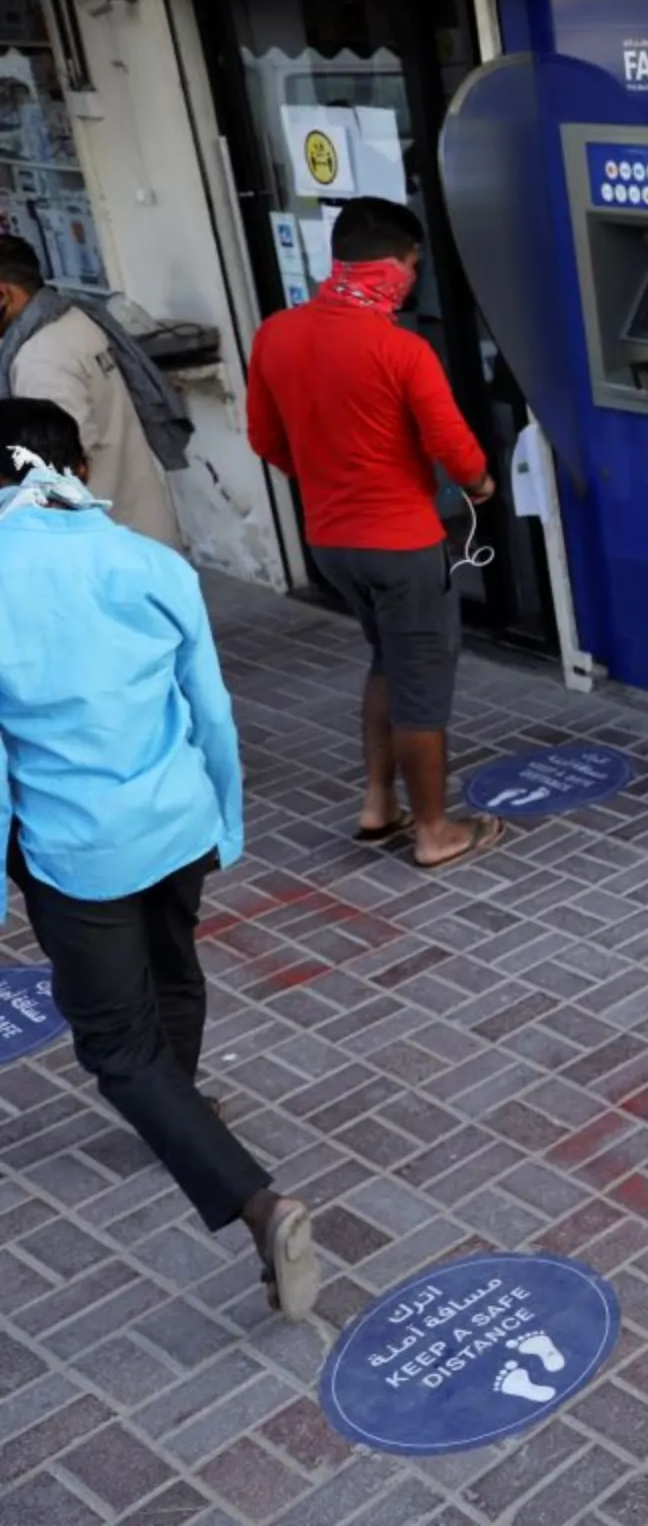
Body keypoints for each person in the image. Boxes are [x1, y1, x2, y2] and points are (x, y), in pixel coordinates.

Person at [0, 397, 320, 1322]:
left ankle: (258, 1205)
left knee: (114, 1042)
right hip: (178, 819)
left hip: (75, 849)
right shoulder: (148, 561)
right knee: (176, 969)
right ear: (78, 472)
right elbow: (211, 708)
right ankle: (180, 1115)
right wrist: (226, 818)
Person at [246, 197, 503, 870]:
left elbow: (265, 438)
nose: (416, 277)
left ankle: (377, 805)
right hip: (404, 543)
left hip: (332, 541)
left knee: (388, 661)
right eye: (415, 264)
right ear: (397, 263)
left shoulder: (276, 333)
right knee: (421, 682)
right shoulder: (400, 349)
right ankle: (435, 832)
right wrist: (478, 483)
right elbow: (452, 443)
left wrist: (333, 477)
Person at [0, 236, 192, 552]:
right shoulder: (75, 320)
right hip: (137, 534)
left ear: (5, 293)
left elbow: (54, 475)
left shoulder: (41, 358)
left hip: (103, 553)